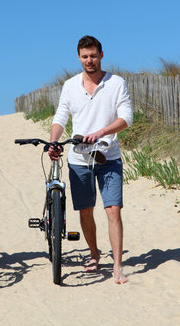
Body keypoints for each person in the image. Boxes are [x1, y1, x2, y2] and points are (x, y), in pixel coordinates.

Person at [48, 36, 133, 284]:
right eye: (85, 57)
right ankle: (94, 253)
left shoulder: (116, 83)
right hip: (78, 159)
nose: (89, 61)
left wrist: (102, 132)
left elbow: (127, 117)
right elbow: (60, 116)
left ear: (101, 55)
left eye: (93, 56)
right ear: (79, 58)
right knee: (85, 212)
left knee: (113, 210)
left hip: (109, 157)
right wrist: (54, 141)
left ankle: (118, 266)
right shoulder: (70, 85)